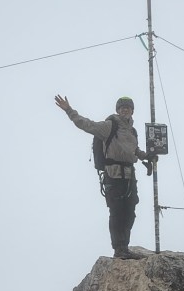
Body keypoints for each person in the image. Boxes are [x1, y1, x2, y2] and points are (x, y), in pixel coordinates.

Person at [55, 93, 149, 260]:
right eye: (122, 107)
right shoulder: (110, 125)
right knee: (117, 211)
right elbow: (86, 124)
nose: (125, 109)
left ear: (132, 111)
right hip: (113, 175)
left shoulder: (132, 131)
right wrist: (69, 110)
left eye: (128, 107)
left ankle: (124, 247)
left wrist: (146, 156)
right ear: (117, 110)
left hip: (129, 176)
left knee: (130, 212)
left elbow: (133, 150)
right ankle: (119, 249)